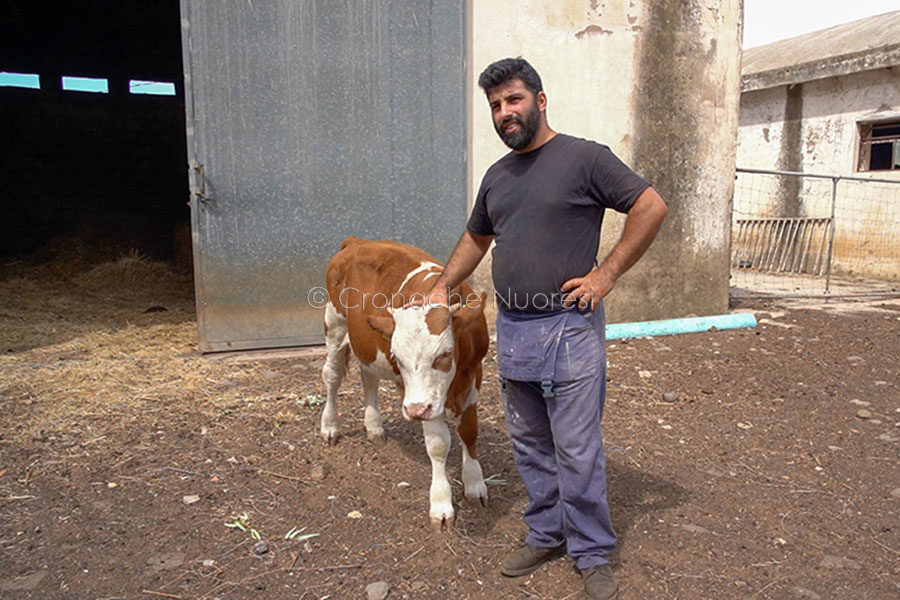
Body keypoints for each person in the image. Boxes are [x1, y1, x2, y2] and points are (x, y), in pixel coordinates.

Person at [424, 57, 667, 600]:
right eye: (494, 106)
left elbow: (650, 206)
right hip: (513, 329)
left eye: (513, 100)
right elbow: (476, 239)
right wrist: (443, 283)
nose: (504, 113)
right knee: (530, 442)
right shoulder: (498, 176)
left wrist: (606, 274)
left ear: (540, 99)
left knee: (576, 447)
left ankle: (591, 551)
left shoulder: (584, 158)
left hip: (569, 328)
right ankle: (547, 531)